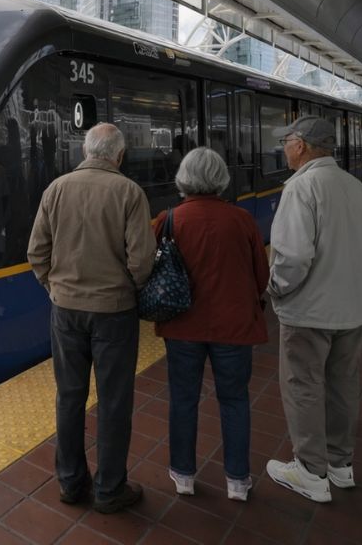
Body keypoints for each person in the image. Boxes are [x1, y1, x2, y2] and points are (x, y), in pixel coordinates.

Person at [27, 122, 156, 514]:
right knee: (114, 401)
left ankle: (70, 483)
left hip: (65, 311)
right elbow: (142, 259)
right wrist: (126, 288)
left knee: (69, 398)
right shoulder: (129, 192)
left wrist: (54, 286)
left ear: (86, 151)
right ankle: (109, 489)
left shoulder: (57, 188)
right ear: (119, 155)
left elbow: (36, 251)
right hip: (114, 313)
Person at [265, 116, 362, 503]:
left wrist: (276, 290)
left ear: (302, 146)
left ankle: (310, 472)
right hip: (354, 307)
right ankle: (340, 465)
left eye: (288, 142)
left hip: (310, 311)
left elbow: (293, 256)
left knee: (303, 385)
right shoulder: (354, 187)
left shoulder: (303, 187)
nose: (284, 148)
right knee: (343, 384)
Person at [152, 147, 268, 502]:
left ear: (183, 178)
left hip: (182, 328)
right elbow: (260, 276)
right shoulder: (242, 220)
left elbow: (149, 273)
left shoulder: (168, 220)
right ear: (221, 179)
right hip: (234, 329)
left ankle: (183, 475)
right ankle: (237, 480)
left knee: (183, 399)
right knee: (234, 400)